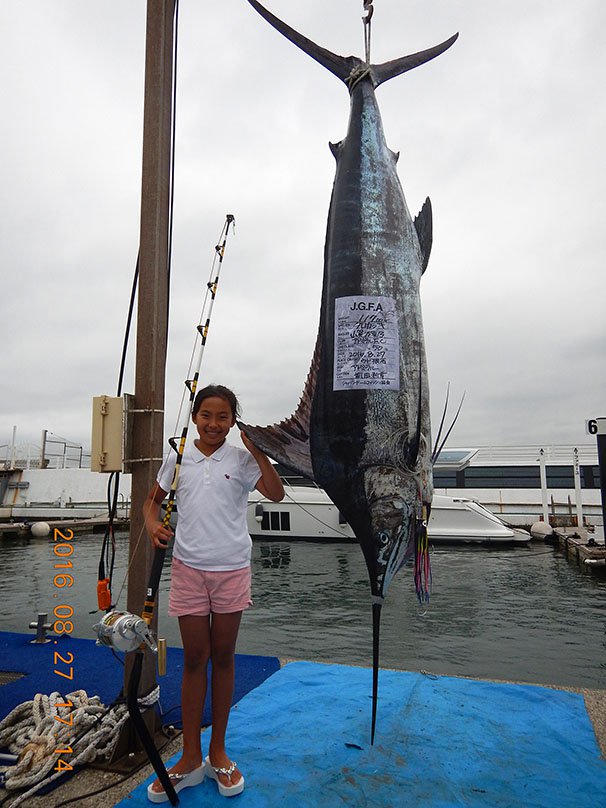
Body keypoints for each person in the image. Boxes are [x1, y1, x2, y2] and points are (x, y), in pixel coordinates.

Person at [144, 384, 284, 802]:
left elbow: (275, 493)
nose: (214, 424)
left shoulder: (241, 459)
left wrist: (257, 449)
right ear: (195, 416)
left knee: (223, 658)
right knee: (194, 661)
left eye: (223, 417)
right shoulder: (178, 456)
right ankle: (189, 756)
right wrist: (153, 526)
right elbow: (152, 503)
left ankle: (218, 751)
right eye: (207, 415)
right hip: (188, 569)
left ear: (233, 420)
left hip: (232, 570)